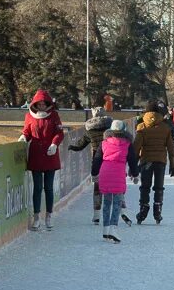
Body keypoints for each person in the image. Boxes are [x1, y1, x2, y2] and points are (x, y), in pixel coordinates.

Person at [22, 90, 65, 231]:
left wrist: (54, 144)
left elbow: (59, 133)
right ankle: (36, 217)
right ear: (35, 104)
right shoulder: (29, 115)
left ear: (47, 103)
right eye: (39, 104)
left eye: (43, 103)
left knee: (48, 187)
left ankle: (49, 215)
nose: (41, 106)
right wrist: (23, 137)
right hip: (35, 155)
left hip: (49, 155)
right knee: (37, 187)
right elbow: (27, 132)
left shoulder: (53, 115)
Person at [92, 119, 139, 243]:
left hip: (105, 172)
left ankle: (106, 230)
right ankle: (113, 228)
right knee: (117, 203)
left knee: (107, 202)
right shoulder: (127, 144)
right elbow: (133, 161)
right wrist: (135, 175)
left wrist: (94, 173)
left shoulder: (104, 143)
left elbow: (97, 159)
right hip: (118, 174)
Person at [134, 100, 174, 223]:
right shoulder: (166, 127)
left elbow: (136, 147)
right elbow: (171, 148)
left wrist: (134, 164)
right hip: (160, 162)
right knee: (159, 187)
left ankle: (143, 208)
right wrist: (173, 166)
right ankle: (157, 209)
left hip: (146, 161)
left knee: (145, 187)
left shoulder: (141, 127)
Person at [69, 108, 114, 224]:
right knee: (112, 187)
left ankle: (96, 215)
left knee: (98, 187)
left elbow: (80, 145)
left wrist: (72, 147)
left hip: (97, 160)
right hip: (111, 160)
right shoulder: (111, 129)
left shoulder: (90, 131)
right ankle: (111, 213)